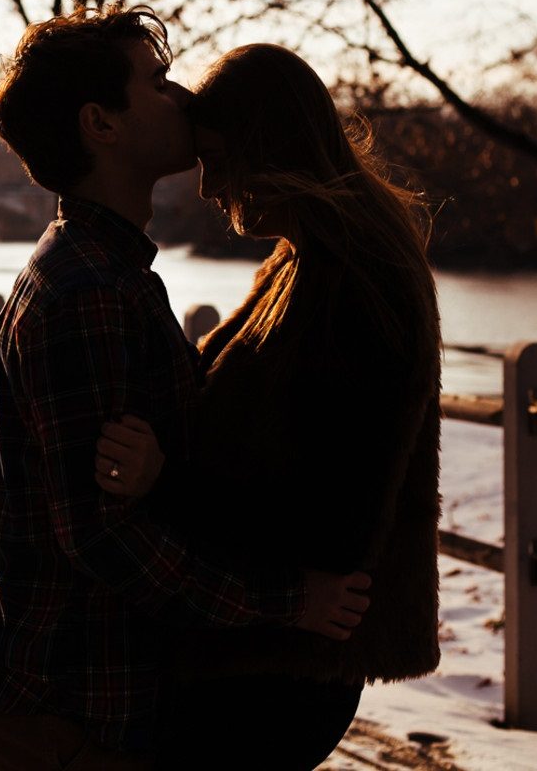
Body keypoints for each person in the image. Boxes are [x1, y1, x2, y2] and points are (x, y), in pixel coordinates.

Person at [0, 8, 373, 771]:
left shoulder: (107, 271)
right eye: (154, 82)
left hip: (79, 697)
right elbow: (106, 539)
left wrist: (169, 468)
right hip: (72, 710)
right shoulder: (89, 292)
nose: (180, 96)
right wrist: (291, 602)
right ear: (100, 125)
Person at [97, 42, 444, 770]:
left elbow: (334, 513)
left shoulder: (357, 285)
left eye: (221, 160)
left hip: (280, 670)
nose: (209, 187)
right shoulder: (309, 260)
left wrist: (167, 478)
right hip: (267, 656)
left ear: (274, 150)